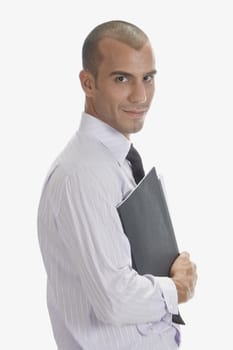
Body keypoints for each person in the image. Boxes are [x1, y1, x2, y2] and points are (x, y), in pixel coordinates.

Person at [37, 20, 197, 350]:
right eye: (121, 78)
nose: (140, 96)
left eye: (147, 78)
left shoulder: (115, 161)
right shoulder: (81, 175)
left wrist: (169, 269)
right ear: (88, 83)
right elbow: (115, 300)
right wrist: (176, 288)